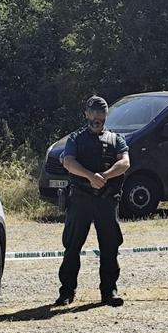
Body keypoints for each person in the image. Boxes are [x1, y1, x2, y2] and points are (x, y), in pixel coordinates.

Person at [56, 95, 131, 307]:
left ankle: (109, 292)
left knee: (110, 247)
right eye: (94, 113)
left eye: (101, 113)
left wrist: (104, 177)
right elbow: (69, 162)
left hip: (106, 201)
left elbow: (125, 163)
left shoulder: (116, 139)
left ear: (106, 115)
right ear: (86, 114)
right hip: (81, 199)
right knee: (72, 247)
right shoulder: (75, 139)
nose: (97, 117)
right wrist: (90, 176)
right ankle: (66, 292)